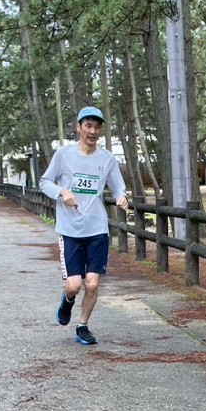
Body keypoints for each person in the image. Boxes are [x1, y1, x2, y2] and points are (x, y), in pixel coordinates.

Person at [38, 106, 129, 346]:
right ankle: (67, 300)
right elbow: (44, 182)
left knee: (92, 282)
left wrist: (122, 197)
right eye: (88, 126)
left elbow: (118, 185)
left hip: (97, 229)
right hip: (70, 230)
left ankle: (82, 326)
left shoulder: (107, 159)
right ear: (78, 128)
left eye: (97, 127)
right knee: (74, 285)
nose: (93, 131)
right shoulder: (63, 155)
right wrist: (62, 192)